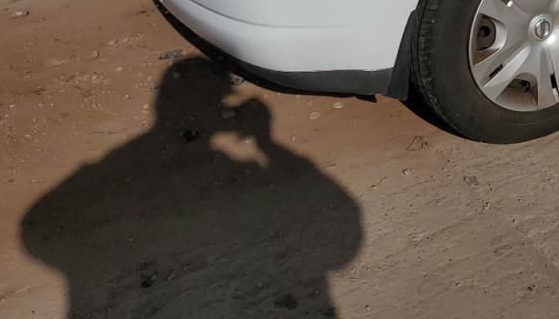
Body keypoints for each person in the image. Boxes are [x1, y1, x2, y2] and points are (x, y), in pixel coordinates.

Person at [21, 58, 361, 318]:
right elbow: (346, 234)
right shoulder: (146, 163)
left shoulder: (123, 161)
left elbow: (36, 227)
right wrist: (268, 144)